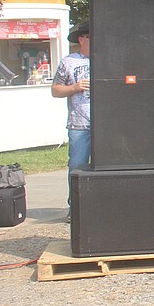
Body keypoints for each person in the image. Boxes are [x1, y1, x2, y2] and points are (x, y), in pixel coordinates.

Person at [52, 22, 91, 218]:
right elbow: (55, 90)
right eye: (92, 37)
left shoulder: (108, 59)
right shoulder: (69, 62)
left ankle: (96, 205)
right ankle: (74, 207)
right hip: (79, 125)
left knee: (106, 167)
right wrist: (75, 87)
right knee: (77, 166)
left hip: (105, 125)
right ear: (82, 39)